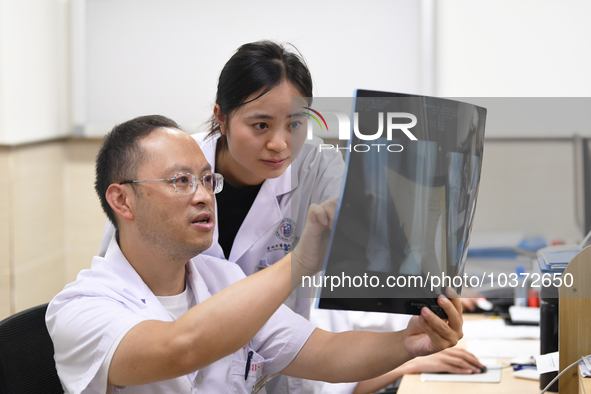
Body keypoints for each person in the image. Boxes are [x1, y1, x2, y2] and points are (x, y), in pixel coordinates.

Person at [96, 41, 482, 393]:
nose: (280, 144)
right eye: (260, 125)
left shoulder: (318, 170)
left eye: (295, 124)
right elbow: (141, 275)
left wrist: (420, 307)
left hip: (269, 365)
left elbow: (371, 254)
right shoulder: (168, 168)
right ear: (222, 117)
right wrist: (300, 263)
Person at [46, 115, 464, 394]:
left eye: (208, 180)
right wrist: (299, 261)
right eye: (180, 181)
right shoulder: (81, 308)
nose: (203, 196)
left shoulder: (220, 279)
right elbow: (180, 347)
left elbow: (324, 353)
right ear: (122, 200)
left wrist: (411, 343)